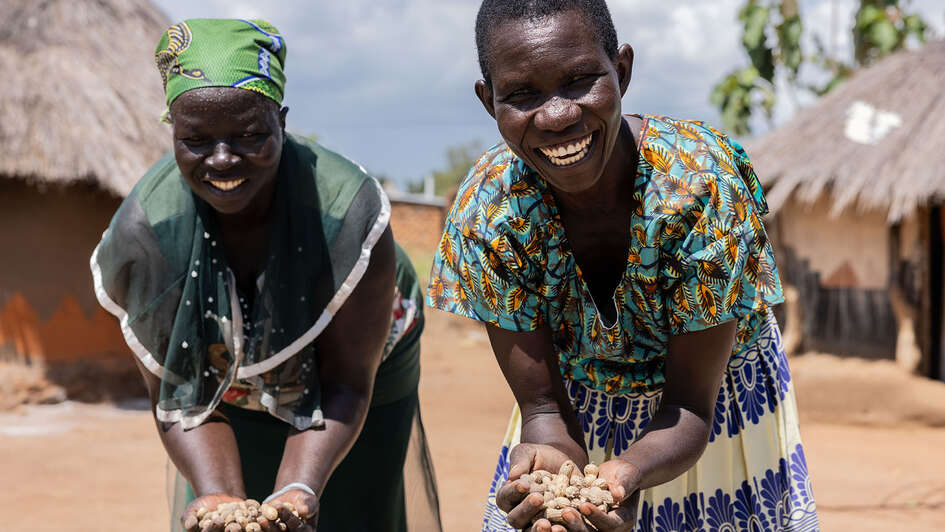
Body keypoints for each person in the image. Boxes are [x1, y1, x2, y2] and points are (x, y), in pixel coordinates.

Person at [427, 1, 819, 531]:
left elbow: (691, 409)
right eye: (521, 94)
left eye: (581, 80)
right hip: (576, 395)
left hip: (717, 403)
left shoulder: (699, 190)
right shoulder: (491, 215)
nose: (558, 115)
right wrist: (556, 468)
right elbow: (543, 411)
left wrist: (622, 474)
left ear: (623, 71)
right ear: (487, 99)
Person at [91, 19, 441, 532]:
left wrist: (297, 489)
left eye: (251, 135)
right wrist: (221, 496)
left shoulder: (348, 215)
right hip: (226, 382)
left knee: (356, 504)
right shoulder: (146, 237)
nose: (223, 158)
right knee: (229, 513)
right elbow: (182, 400)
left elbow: (346, 382)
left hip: (362, 366)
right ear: (172, 129)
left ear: (282, 120)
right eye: (196, 140)